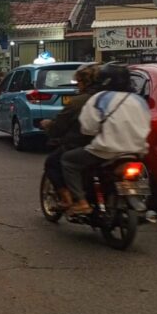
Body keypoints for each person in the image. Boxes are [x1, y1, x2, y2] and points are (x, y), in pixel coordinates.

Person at [61, 63, 151, 215]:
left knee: (68, 160)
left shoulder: (99, 98)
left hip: (105, 151)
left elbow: (88, 128)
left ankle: (82, 202)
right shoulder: (139, 100)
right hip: (137, 151)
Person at [40, 63, 99, 207]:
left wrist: (48, 126)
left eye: (78, 82)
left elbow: (59, 126)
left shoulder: (79, 101)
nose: (76, 86)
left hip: (85, 146)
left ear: (85, 82)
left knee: (53, 162)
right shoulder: (113, 99)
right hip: (115, 145)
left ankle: (69, 198)